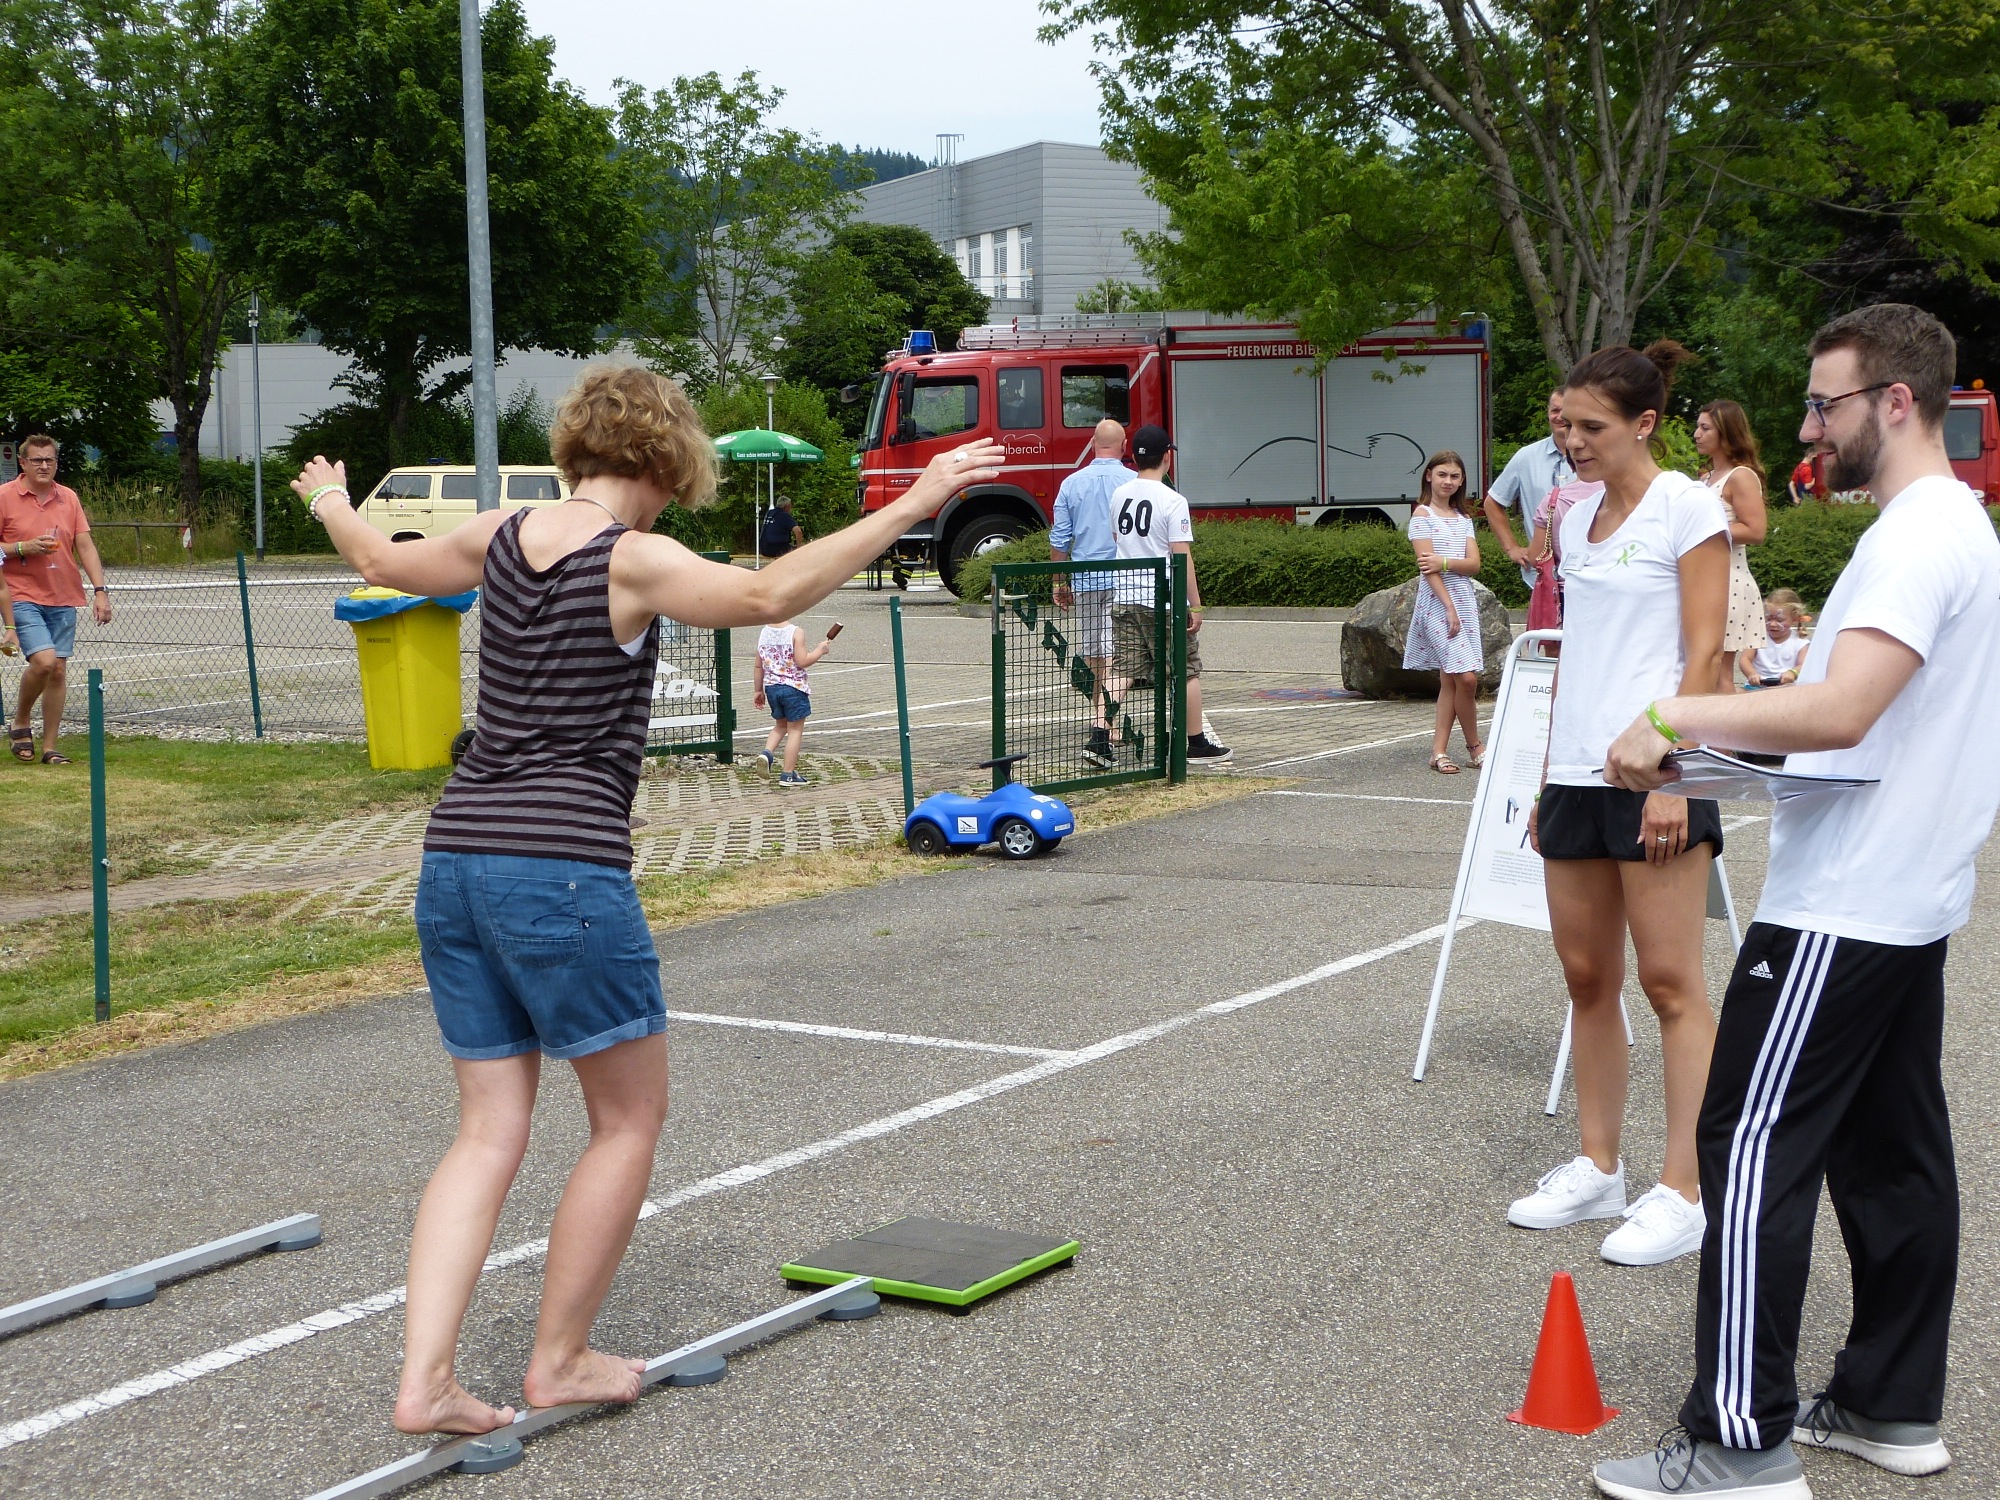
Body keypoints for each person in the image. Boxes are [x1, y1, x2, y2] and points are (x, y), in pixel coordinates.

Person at [290, 364, 1004, 1437]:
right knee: (626, 1120)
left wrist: (331, 498)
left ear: (576, 445)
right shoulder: (630, 556)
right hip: (563, 870)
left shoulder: (498, 536)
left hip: (455, 858)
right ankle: (559, 1360)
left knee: (486, 1131)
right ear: (668, 462)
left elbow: (380, 562)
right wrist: (917, 499)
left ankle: (425, 1380)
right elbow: (765, 597)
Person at [1594, 304, 1989, 1500]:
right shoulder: (1948, 527)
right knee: (1889, 1151)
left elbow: (1842, 711)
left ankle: (1735, 1439)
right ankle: (1885, 1404)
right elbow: (1861, 703)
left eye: (1825, 404)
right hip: (1902, 897)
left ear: (1894, 402)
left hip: (1844, 902)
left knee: (1748, 1143)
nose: (1808, 428)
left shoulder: (1918, 536)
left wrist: (1673, 715)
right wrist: (1776, 682)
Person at [1513, 341, 1730, 1269]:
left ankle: (1685, 1189)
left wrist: (1679, 775)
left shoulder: (1689, 506)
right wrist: (1544, 776)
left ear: (1645, 424)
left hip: (1657, 775)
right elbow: (1577, 655)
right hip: (1575, 775)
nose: (1573, 441)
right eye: (1566, 425)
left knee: (1671, 983)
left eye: (1591, 427)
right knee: (1585, 979)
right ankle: (1599, 1166)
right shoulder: (1573, 517)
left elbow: (1706, 653)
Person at [1106, 424, 1230, 764]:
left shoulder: (1119, 495)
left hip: (1125, 596)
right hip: (1162, 601)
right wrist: (1195, 604)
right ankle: (1196, 742)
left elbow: (1118, 539)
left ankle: (1099, 736)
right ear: (1167, 458)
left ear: (1133, 457)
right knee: (1186, 669)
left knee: (1123, 670)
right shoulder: (1173, 500)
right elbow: (1181, 555)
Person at [0, 435, 112, 765]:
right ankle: (21, 720)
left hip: (62, 594)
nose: (44, 465)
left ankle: (50, 746)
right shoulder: (4, 497)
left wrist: (100, 591)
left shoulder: (68, 497)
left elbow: (85, 547)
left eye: (50, 460)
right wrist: (22, 547)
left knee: (59, 671)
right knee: (44, 662)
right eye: (37, 460)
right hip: (21, 594)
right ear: (23, 463)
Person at [1050, 418, 1128, 768]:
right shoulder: (1133, 482)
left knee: (1096, 651)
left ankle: (1103, 719)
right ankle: (1105, 723)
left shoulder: (1071, 484)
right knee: (1114, 653)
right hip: (1125, 579)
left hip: (1085, 579)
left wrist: (1058, 581)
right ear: (1124, 446)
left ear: (1093, 444)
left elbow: (1059, 539)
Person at [1403, 451, 1486, 774]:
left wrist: (1446, 562)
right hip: (1438, 604)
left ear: (1462, 480)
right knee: (1466, 677)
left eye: (1454, 476)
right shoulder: (1422, 516)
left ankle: (1438, 751)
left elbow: (1474, 564)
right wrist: (1449, 606)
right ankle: (1475, 745)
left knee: (1451, 680)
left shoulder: (1463, 519)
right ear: (1429, 476)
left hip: (1464, 601)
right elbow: (1428, 568)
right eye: (1442, 474)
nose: (1448, 481)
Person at [1693, 401, 1769, 691]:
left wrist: (1701, 533)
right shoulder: (1706, 478)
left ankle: (1724, 724)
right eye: (1698, 427)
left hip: (1728, 581)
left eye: (1705, 428)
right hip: (1704, 580)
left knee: (1719, 673)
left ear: (1726, 433)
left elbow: (1755, 530)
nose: (1697, 434)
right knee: (1703, 670)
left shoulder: (1741, 476)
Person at [1523, 414, 1605, 634]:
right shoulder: (1616, 495)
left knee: (1561, 649)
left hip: (1563, 593)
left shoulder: (1553, 500)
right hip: (1606, 592)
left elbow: (1536, 555)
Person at [1485, 388, 1573, 587]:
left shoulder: (1594, 455)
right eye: (1555, 410)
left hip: (1586, 572)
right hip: (1540, 577)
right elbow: (1493, 502)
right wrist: (1511, 548)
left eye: (1565, 411)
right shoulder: (1526, 457)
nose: (1560, 417)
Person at [753, 619, 832, 787]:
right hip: (793, 688)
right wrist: (819, 650)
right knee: (794, 730)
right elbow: (803, 661)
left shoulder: (764, 632)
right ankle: (788, 774)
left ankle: (767, 753)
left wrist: (758, 690)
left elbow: (758, 666)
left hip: (772, 688)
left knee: (780, 726)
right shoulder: (796, 632)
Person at [1736, 590, 1809, 690]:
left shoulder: (1800, 642)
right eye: (1768, 619)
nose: (1773, 624)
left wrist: (1793, 672)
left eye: (1780, 620)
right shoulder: (1758, 637)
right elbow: (1745, 659)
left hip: (1786, 687)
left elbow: (1804, 664)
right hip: (1757, 685)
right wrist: (1751, 674)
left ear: (1795, 619)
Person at [760, 493, 803, 560]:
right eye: (790, 506)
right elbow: (798, 531)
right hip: (776, 549)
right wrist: (799, 547)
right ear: (786, 507)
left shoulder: (769, 512)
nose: (791, 508)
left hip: (763, 548)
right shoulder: (784, 515)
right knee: (796, 552)